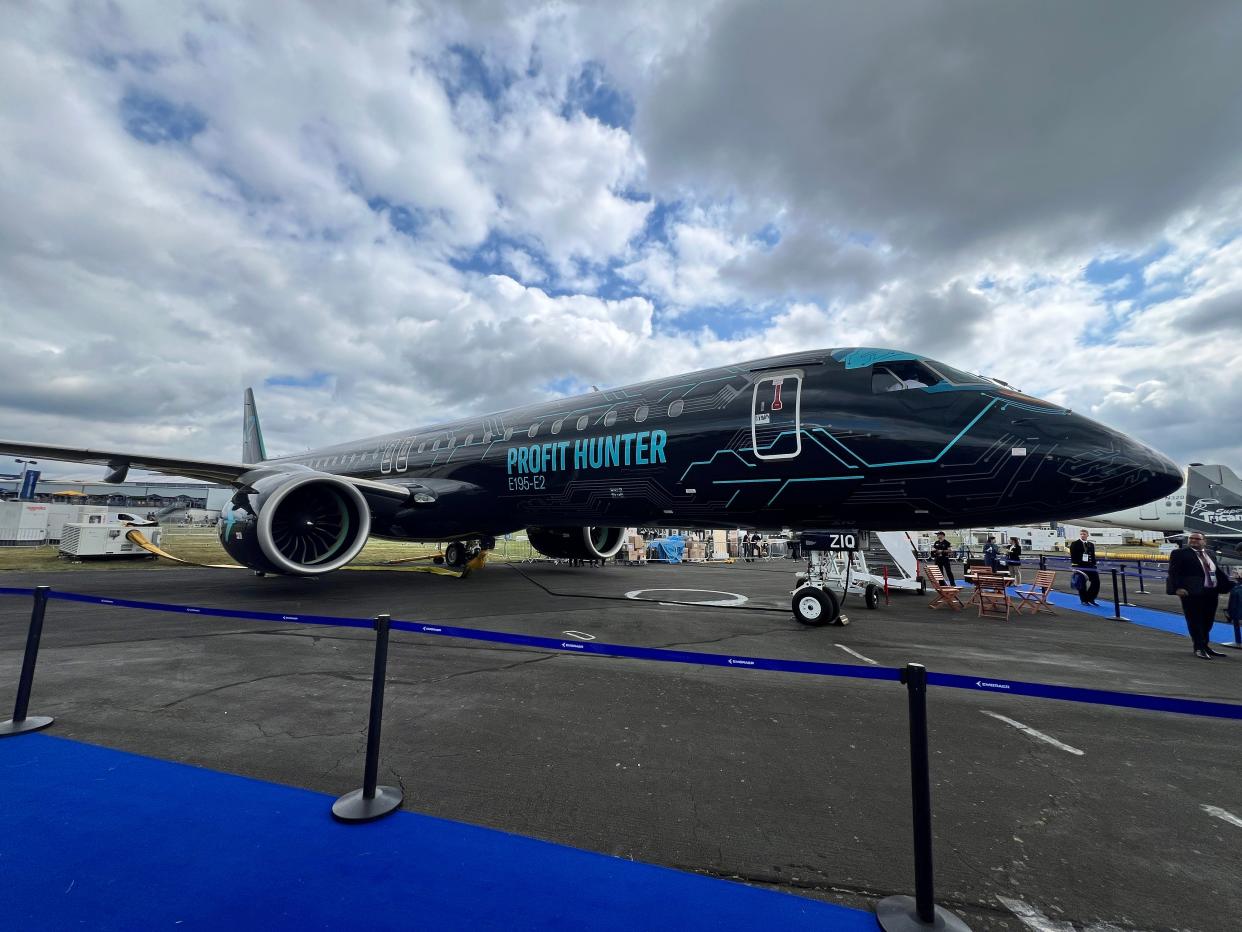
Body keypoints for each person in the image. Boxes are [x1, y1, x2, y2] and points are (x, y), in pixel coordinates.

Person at [1167, 533, 1235, 659]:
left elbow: (1216, 571)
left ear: (1204, 541)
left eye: (1197, 539)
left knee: (1208, 620)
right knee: (1195, 620)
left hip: (1211, 592)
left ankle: (1205, 645)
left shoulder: (1210, 554)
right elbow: (1173, 572)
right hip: (1191, 592)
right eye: (1191, 539)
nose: (1193, 541)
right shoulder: (1180, 553)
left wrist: (1230, 584)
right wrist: (1177, 588)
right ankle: (1198, 647)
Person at [1068, 529, 1101, 606]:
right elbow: (1073, 556)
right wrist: (1075, 566)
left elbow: (1093, 556)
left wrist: (1094, 565)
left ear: (1087, 535)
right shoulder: (1075, 544)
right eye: (1081, 534)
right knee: (1081, 583)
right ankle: (1084, 600)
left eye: (1084, 534)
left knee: (1096, 582)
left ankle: (1091, 598)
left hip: (1090, 566)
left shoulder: (1091, 544)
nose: (1082, 535)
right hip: (1080, 566)